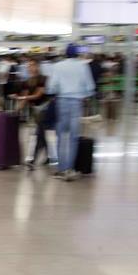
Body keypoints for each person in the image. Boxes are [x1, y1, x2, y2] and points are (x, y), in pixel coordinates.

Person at [47, 44, 95, 182]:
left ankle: (61, 169)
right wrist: (83, 94)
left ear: (65, 54)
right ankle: (70, 169)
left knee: (61, 136)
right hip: (76, 103)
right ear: (77, 54)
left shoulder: (58, 66)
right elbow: (90, 87)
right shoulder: (83, 66)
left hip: (62, 102)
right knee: (74, 137)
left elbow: (51, 87)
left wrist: (58, 91)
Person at [13, 58, 51, 168]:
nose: (30, 67)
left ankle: (33, 160)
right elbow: (25, 97)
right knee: (41, 133)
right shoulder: (27, 82)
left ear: (38, 66)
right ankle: (48, 157)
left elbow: (38, 95)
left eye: (32, 65)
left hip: (45, 109)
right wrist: (17, 109)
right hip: (36, 111)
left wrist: (22, 98)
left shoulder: (43, 79)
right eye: (28, 65)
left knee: (39, 134)